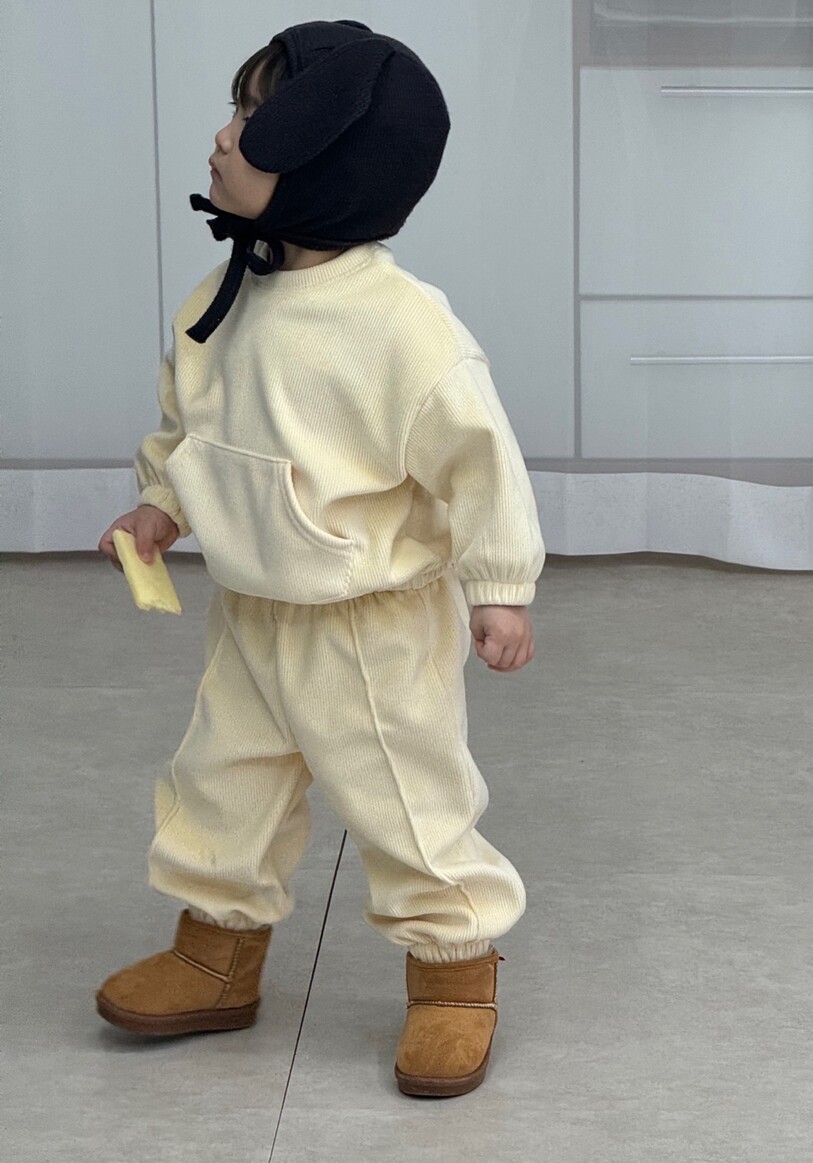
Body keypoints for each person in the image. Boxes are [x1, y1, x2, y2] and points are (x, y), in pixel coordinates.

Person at [94, 19, 545, 1100]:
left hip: (367, 620)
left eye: (252, 120)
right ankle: (217, 950)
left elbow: (480, 463)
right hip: (254, 608)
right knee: (222, 784)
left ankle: (454, 969)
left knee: (407, 798)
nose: (222, 136)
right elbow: (194, 426)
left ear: (325, 157)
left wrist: (499, 587)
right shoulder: (223, 297)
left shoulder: (402, 329)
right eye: (233, 111)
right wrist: (161, 506)